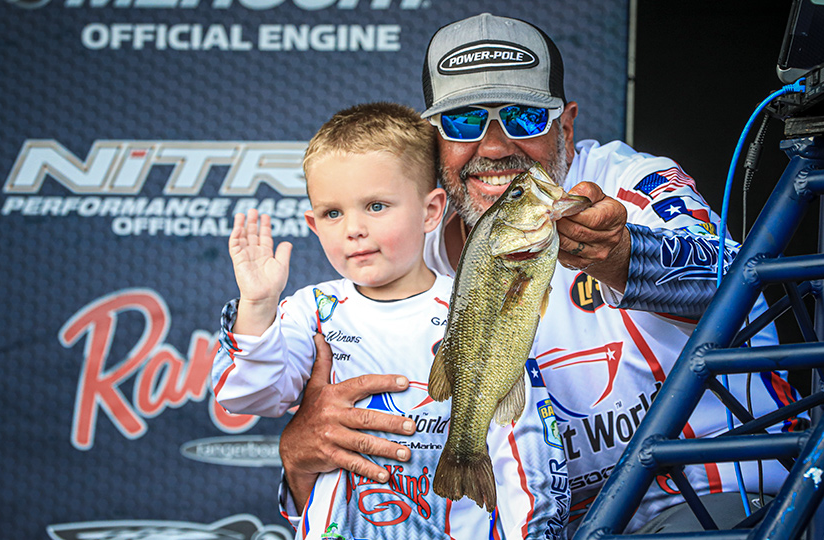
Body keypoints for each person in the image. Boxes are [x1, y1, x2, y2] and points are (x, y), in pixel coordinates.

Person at [221, 13, 805, 536]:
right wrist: (300, 456)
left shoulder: (629, 182)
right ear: (436, 141)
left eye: (524, 117)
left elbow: (738, 278)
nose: (495, 146)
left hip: (706, 494)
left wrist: (624, 254)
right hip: (550, 522)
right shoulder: (402, 252)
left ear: (566, 126)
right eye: (464, 121)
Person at [211, 102, 569, 539]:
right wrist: (257, 307)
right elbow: (246, 396)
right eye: (332, 213)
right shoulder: (311, 310)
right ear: (313, 225)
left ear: (431, 211)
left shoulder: (476, 306)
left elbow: (526, 455)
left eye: (376, 206)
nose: (353, 229)